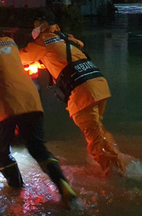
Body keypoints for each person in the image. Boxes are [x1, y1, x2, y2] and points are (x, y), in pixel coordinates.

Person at [0, 34, 77, 208]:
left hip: (5, 106)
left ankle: (17, 189)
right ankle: (62, 185)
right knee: (38, 149)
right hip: (31, 101)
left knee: (1, 154)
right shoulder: (10, 43)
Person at [19, 18, 126, 177]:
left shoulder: (43, 41)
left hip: (83, 92)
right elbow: (69, 52)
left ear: (39, 30)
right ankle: (119, 162)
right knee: (98, 131)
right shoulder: (63, 38)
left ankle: (116, 176)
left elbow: (20, 58)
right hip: (99, 85)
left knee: (94, 140)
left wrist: (5, 53)